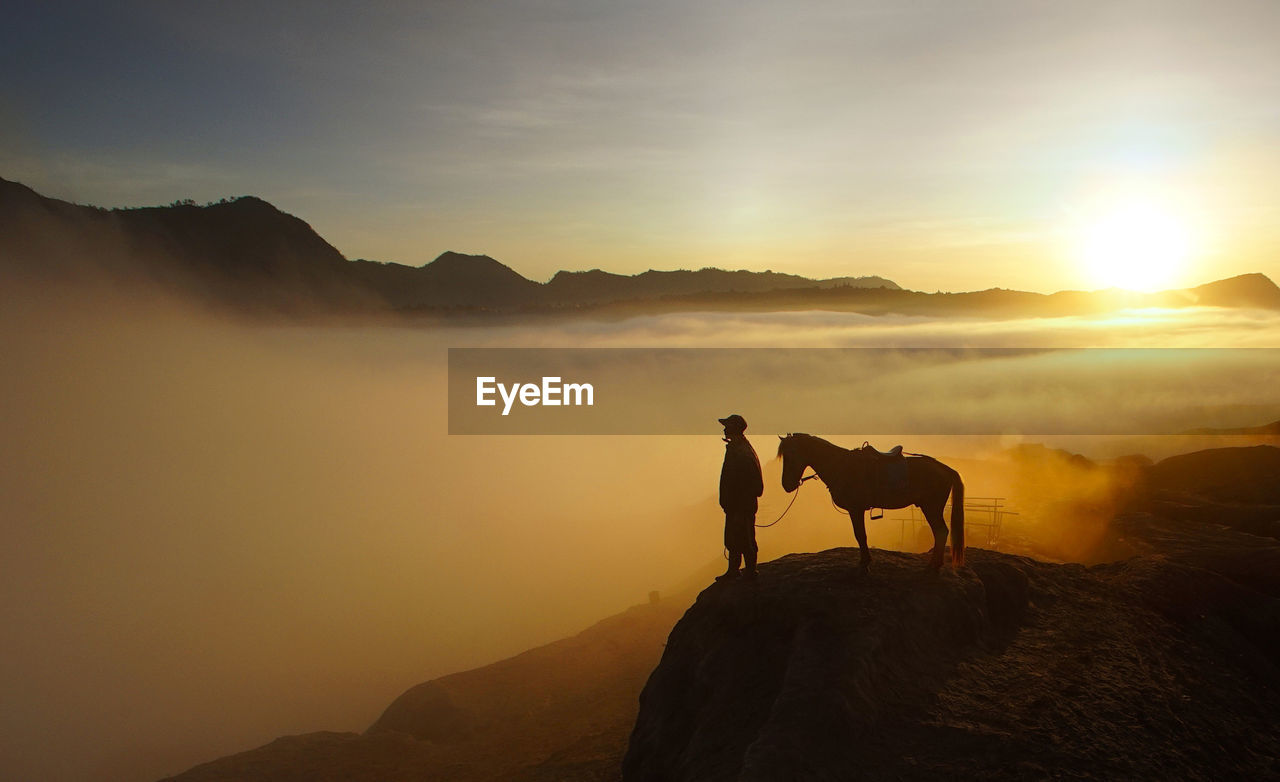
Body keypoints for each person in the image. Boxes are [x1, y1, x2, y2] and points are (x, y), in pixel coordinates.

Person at [716, 414, 763, 581]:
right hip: (736, 504)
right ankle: (734, 570)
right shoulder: (738, 448)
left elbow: (753, 484)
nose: (724, 428)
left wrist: (737, 503)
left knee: (745, 538)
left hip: (741, 505)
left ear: (734, 428)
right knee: (734, 538)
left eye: (727, 426)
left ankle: (750, 571)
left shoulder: (741, 451)